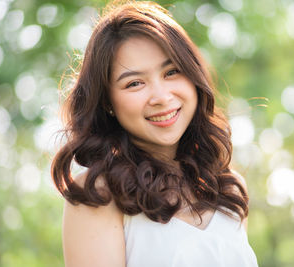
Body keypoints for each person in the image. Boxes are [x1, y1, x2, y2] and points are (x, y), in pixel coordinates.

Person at [51, 1, 259, 266]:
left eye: (172, 71)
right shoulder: (97, 194)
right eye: (135, 83)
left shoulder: (229, 189)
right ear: (107, 103)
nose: (161, 97)